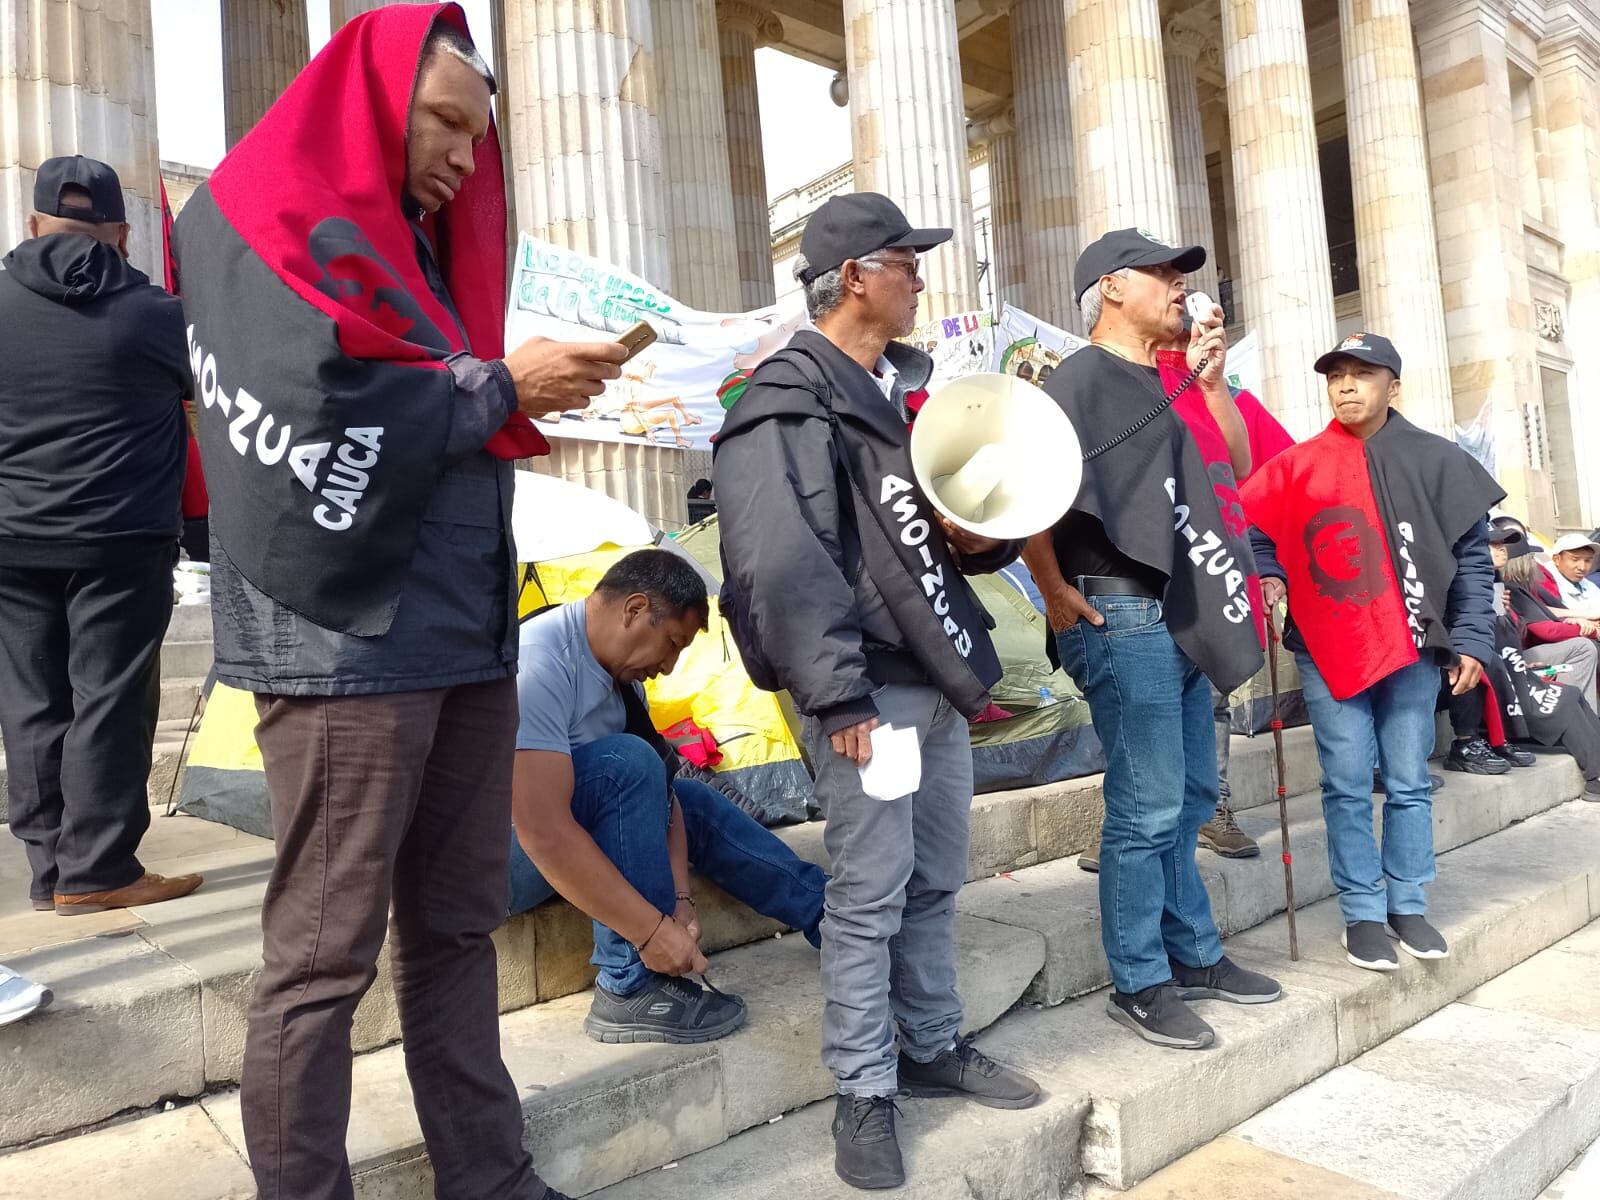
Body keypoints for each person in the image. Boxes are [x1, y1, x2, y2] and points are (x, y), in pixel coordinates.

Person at [173, 9, 626, 1198]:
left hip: (464, 630)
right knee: (322, 959)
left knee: (457, 928)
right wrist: (499, 386)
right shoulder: (252, 224)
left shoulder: (415, 257)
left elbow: (426, 397)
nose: (465, 160)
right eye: (443, 124)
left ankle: (490, 1176)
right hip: (341, 642)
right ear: (370, 104)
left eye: (479, 140)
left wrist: (509, 385)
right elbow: (316, 410)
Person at [715, 192, 1041, 1191]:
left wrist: (977, 540)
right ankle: (864, 1089)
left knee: (935, 874)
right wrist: (839, 697)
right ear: (854, 276)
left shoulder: (891, 394)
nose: (920, 280)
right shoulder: (786, 396)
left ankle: (931, 1044)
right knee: (868, 896)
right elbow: (780, 559)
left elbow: (912, 543)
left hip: (931, 683)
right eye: (905, 262)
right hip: (871, 698)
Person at [1025, 229, 1281, 1052]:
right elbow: (1027, 492)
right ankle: (1139, 981)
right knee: (1146, 806)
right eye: (1162, 273)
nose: (1180, 285)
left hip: (1183, 610)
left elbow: (1233, 465)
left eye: (1181, 274)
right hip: (1119, 611)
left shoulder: (1172, 379)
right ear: (1111, 287)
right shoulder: (1076, 381)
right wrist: (1053, 588)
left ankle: (1195, 953)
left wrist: (1212, 382)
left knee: (1193, 796)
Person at [1243, 333, 1501, 973]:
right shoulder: (1298, 464)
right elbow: (1255, 532)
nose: (1347, 386)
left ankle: (1408, 903)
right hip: (1326, 648)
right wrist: (1269, 574)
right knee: (1347, 780)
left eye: (1362, 373)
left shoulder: (1439, 460)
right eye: (1336, 376)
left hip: (1414, 644)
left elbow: (1473, 561)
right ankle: (1362, 911)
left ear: (1394, 385)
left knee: (1409, 780)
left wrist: (1473, 639)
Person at [506, 549, 826, 1044]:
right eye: (672, 644)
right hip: (489, 864)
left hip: (555, 836)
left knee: (687, 794)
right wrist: (651, 932)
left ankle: (827, 914)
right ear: (634, 610)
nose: (669, 667)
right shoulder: (538, 663)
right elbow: (542, 830)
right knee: (626, 765)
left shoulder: (623, 683)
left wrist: (679, 902)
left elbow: (667, 798)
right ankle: (629, 984)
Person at [0, 155, 202, 917]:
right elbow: (212, 396)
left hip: (12, 538)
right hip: (121, 539)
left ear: (32, 224)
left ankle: (52, 868)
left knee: (31, 703)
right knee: (108, 701)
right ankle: (98, 870)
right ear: (121, 233)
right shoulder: (158, 315)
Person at [1442, 525, 1536, 775]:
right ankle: (1466, 743)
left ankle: (1499, 738)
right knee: (1474, 656)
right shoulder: (1457, 573)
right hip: (1439, 656)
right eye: (1493, 544)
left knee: (1499, 656)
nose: (1501, 550)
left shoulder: (1496, 580)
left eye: (1503, 545)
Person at [1502, 547, 1600, 710]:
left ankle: (1583, 715)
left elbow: (1548, 614)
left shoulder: (1523, 586)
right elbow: (1545, 630)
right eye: (1531, 558)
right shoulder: (1511, 587)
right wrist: (1591, 631)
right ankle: (1575, 714)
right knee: (1583, 647)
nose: (1535, 563)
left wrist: (1573, 620)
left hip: (1518, 653)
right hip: (1512, 658)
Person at [1548, 533, 1600, 615]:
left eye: (1587, 561)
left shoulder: (1589, 585)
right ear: (1556, 559)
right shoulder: (1544, 585)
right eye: (1575, 560)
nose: (1582, 567)